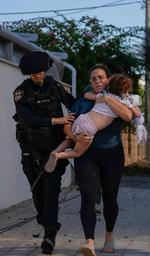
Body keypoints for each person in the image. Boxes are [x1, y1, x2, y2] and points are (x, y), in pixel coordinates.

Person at [13, 51, 76, 255]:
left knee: (51, 191)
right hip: (31, 150)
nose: (38, 77)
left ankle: (49, 235)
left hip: (54, 150)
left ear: (45, 70)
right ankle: (46, 221)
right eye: (33, 75)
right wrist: (57, 121)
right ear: (28, 75)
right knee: (37, 191)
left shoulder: (56, 87)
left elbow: (74, 104)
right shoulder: (21, 92)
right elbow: (27, 120)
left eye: (40, 73)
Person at [68, 65, 134, 256]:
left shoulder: (121, 99)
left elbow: (128, 116)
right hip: (87, 155)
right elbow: (68, 126)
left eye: (101, 77)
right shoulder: (82, 102)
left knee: (110, 198)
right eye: (93, 78)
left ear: (108, 79)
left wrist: (106, 98)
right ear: (90, 82)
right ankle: (89, 242)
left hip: (112, 155)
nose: (97, 80)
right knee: (87, 197)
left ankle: (109, 236)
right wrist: (75, 138)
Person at [44, 74, 142, 172]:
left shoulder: (103, 95)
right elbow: (135, 113)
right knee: (78, 152)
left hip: (82, 119)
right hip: (89, 128)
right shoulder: (123, 102)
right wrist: (133, 105)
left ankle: (55, 151)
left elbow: (86, 95)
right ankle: (58, 155)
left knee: (70, 139)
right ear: (124, 91)